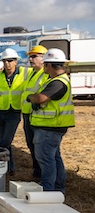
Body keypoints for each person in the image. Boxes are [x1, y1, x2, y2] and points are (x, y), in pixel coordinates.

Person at [27, 48, 75, 192]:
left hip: (49, 127)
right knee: (54, 158)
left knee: (46, 160)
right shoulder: (57, 80)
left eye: (45, 64)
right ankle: (58, 188)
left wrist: (31, 97)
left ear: (49, 65)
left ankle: (48, 190)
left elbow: (40, 98)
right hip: (52, 126)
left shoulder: (58, 82)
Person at [0, 48, 29, 175]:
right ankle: (8, 168)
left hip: (14, 111)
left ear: (16, 61)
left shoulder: (24, 73)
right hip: (0, 111)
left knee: (5, 141)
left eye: (10, 61)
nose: (7, 63)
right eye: (4, 61)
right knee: (2, 140)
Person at [20, 45, 49, 180]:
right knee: (31, 145)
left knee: (39, 147)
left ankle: (42, 173)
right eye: (30, 56)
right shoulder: (32, 72)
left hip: (37, 115)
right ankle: (37, 171)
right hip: (28, 114)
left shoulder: (45, 73)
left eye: (34, 56)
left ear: (43, 58)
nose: (30, 59)